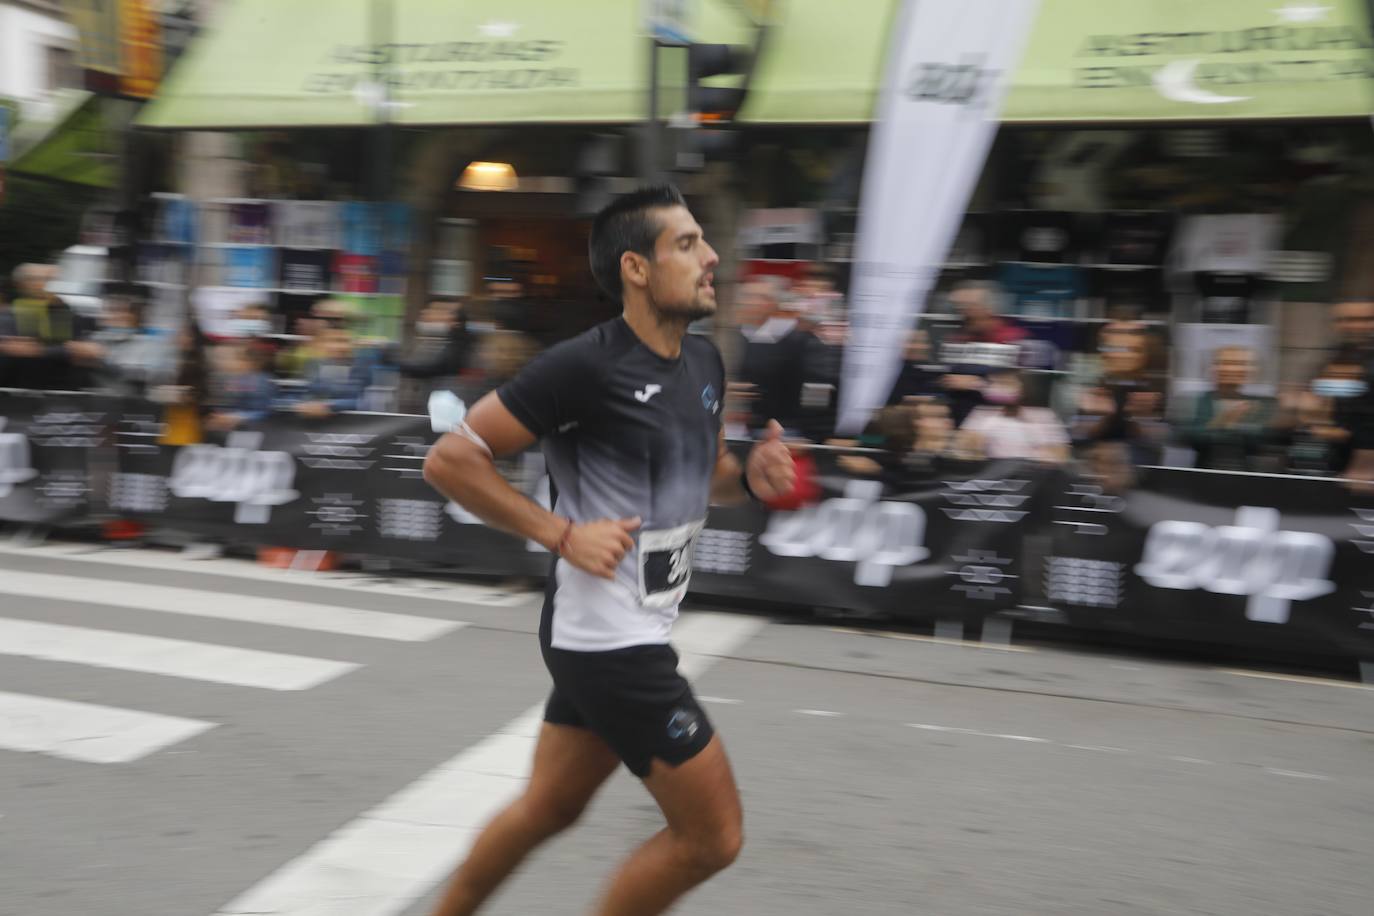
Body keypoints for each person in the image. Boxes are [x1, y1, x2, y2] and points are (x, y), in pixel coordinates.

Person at [421, 185, 798, 916]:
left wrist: (748, 478)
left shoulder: (705, 367)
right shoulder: (585, 366)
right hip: (608, 640)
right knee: (712, 838)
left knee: (548, 809)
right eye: (686, 244)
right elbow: (450, 460)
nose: (711, 255)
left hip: (622, 631)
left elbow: (707, 481)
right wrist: (561, 534)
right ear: (635, 267)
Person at [0, 263, 101, 390]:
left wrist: (42, 349)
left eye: (52, 278)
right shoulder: (11, 314)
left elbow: (89, 351)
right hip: (17, 390)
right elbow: (17, 348)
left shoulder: (64, 314)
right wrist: (69, 349)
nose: (47, 284)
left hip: (63, 392)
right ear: (21, 284)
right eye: (38, 279)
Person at [1178, 346, 1273, 471]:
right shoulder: (1195, 401)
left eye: (1240, 364)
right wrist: (1223, 422)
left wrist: (1232, 426)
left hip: (1246, 476)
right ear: (1213, 368)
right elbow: (1187, 438)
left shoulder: (1260, 404)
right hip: (1204, 474)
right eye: (1224, 363)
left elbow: (1263, 442)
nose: (1231, 369)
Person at [958, 368, 1071, 464]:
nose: (997, 388)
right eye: (993, 383)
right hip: (991, 474)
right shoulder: (981, 413)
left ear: (1023, 388)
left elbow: (1061, 455)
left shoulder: (1044, 416)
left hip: (1033, 477)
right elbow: (964, 449)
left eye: (1005, 383)